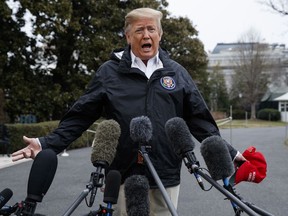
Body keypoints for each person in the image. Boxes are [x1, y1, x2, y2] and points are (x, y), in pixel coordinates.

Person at [12, 7, 246, 216]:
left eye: (151, 29)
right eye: (139, 30)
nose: (146, 35)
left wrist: (231, 153)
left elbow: (200, 120)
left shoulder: (176, 72)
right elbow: (81, 115)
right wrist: (45, 143)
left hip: (166, 173)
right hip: (123, 174)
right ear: (127, 36)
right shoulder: (108, 72)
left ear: (160, 35)